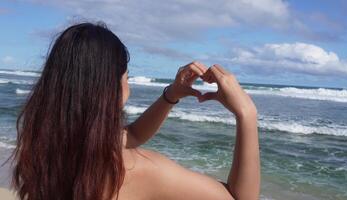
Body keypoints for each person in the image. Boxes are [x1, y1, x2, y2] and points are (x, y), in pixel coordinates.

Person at [12, 22, 260, 200]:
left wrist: (171, 95)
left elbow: (131, 136)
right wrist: (246, 113)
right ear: (113, 90)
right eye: (126, 77)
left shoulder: (47, 150)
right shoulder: (138, 170)